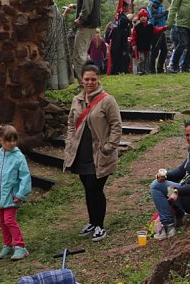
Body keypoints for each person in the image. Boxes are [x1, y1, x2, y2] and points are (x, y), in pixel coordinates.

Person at [63, 60, 123, 243]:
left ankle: (99, 225)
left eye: (93, 79)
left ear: (98, 80)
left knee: (95, 189)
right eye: (86, 79)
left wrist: (109, 146)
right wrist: (70, 142)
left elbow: (116, 125)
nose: (90, 82)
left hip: (100, 154)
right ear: (82, 80)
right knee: (88, 189)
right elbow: (71, 124)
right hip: (81, 153)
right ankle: (92, 221)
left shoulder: (107, 101)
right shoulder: (77, 100)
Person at [0, 125, 32, 261]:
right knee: (3, 222)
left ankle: (20, 246)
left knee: (9, 220)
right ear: (1, 140)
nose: (12, 143)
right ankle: (7, 244)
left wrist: (21, 194)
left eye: (14, 140)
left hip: (11, 197)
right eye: (9, 140)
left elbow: (25, 177)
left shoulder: (19, 157)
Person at [66, 0, 102, 82]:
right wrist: (76, 6)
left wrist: (81, 18)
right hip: (92, 24)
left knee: (78, 55)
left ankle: (85, 83)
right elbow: (91, 3)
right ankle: (92, 79)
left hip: (86, 25)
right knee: (84, 54)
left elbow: (88, 4)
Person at [130, 8, 166, 75]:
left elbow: (157, 29)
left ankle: (145, 71)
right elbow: (133, 36)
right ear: (139, 18)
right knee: (141, 59)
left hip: (147, 46)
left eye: (145, 16)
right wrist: (133, 44)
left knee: (146, 59)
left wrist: (164, 28)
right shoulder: (137, 27)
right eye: (141, 16)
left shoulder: (150, 26)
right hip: (139, 47)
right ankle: (140, 70)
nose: (143, 18)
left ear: (147, 17)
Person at [146, 0, 170, 73]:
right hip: (155, 29)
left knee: (164, 50)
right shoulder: (152, 4)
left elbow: (162, 16)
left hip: (162, 29)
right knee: (155, 50)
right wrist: (166, 13)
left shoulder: (160, 4)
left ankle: (160, 68)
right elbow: (154, 17)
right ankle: (151, 69)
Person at [107, 0, 132, 75]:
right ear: (124, 7)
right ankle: (118, 70)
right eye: (128, 6)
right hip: (120, 42)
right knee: (119, 57)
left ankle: (119, 70)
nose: (129, 7)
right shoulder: (122, 19)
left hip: (118, 42)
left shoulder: (120, 17)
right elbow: (123, 33)